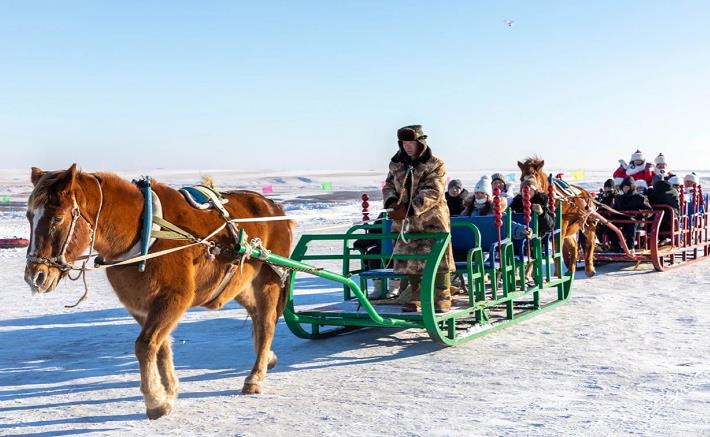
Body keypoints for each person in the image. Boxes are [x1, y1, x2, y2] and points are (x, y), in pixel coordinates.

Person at [382, 125, 455, 313]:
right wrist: (391, 202)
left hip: (432, 219)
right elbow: (389, 185)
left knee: (438, 257)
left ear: (420, 142)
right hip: (405, 223)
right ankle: (416, 294)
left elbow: (433, 190)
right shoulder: (396, 164)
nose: (407, 147)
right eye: (404, 143)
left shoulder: (435, 164)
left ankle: (442, 295)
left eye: (411, 143)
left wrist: (411, 208)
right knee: (408, 256)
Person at [611, 176, 652, 251]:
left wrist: (641, 214)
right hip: (622, 220)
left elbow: (649, 211)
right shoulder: (619, 198)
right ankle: (615, 246)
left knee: (631, 223)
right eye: (624, 187)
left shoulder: (640, 198)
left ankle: (630, 247)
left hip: (636, 221)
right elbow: (615, 210)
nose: (625, 189)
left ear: (632, 187)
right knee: (609, 224)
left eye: (628, 187)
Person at [647, 176, 680, 244]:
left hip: (655, 220)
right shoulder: (674, 192)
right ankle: (665, 238)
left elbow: (649, 200)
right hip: (670, 220)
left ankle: (659, 239)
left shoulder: (653, 194)